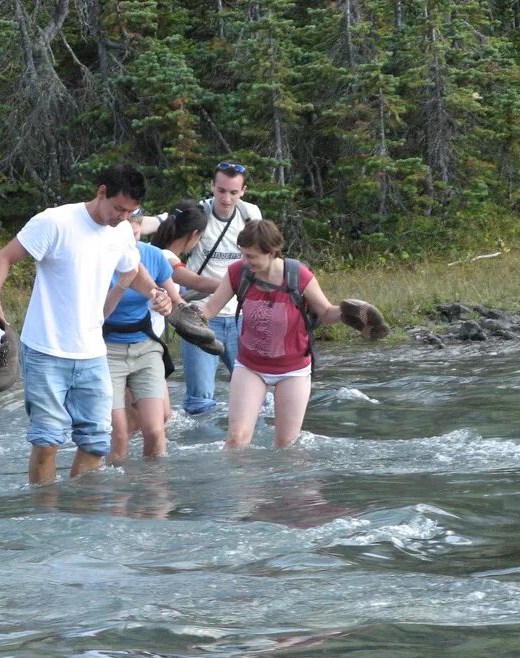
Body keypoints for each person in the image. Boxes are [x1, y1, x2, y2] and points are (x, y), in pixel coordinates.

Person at [0, 164, 172, 485]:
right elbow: (3, 258)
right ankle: (46, 514)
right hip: (45, 351)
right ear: (101, 191)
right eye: (118, 208)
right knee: (47, 442)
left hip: (93, 353)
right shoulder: (55, 221)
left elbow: (131, 270)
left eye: (131, 212)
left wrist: (155, 292)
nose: (122, 217)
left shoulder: (121, 230)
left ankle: (80, 514)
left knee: (96, 443)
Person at [199, 219, 387, 450]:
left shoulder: (299, 276)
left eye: (252, 256)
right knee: (236, 440)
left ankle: (284, 486)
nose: (246, 262)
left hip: (293, 369)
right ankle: (242, 486)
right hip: (250, 366)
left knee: (286, 445)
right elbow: (209, 310)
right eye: (243, 254)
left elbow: (326, 313)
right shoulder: (238, 272)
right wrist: (180, 309)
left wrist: (349, 312)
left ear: (272, 252)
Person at [142, 161, 262, 414]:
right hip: (200, 315)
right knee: (200, 401)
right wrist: (128, 227)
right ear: (212, 187)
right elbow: (158, 224)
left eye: (233, 192)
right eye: (221, 191)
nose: (226, 198)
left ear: (243, 191)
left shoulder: (251, 215)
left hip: (241, 315)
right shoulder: (197, 214)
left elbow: (262, 257)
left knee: (256, 393)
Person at [102, 201, 206, 462]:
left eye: (135, 234)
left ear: (140, 231)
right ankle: (117, 490)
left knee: (157, 427)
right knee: (121, 433)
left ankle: (153, 491)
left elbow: (175, 303)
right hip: (106, 347)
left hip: (146, 345)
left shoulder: (154, 256)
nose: (129, 242)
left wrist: (170, 305)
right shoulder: (96, 255)